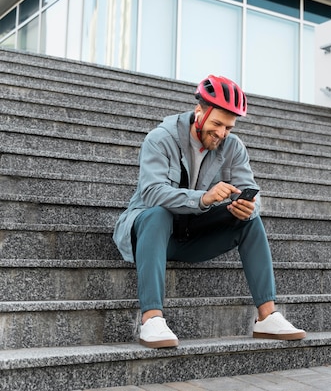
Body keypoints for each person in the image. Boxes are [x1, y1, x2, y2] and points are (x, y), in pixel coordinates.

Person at [113, 74, 306, 348]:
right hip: (150, 235)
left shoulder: (233, 147)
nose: (222, 133)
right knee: (158, 213)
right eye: (217, 124)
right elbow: (152, 192)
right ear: (199, 113)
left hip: (192, 234)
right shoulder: (160, 139)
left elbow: (252, 190)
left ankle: (267, 316)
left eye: (229, 126)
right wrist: (203, 198)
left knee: (250, 221)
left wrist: (248, 207)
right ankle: (152, 319)